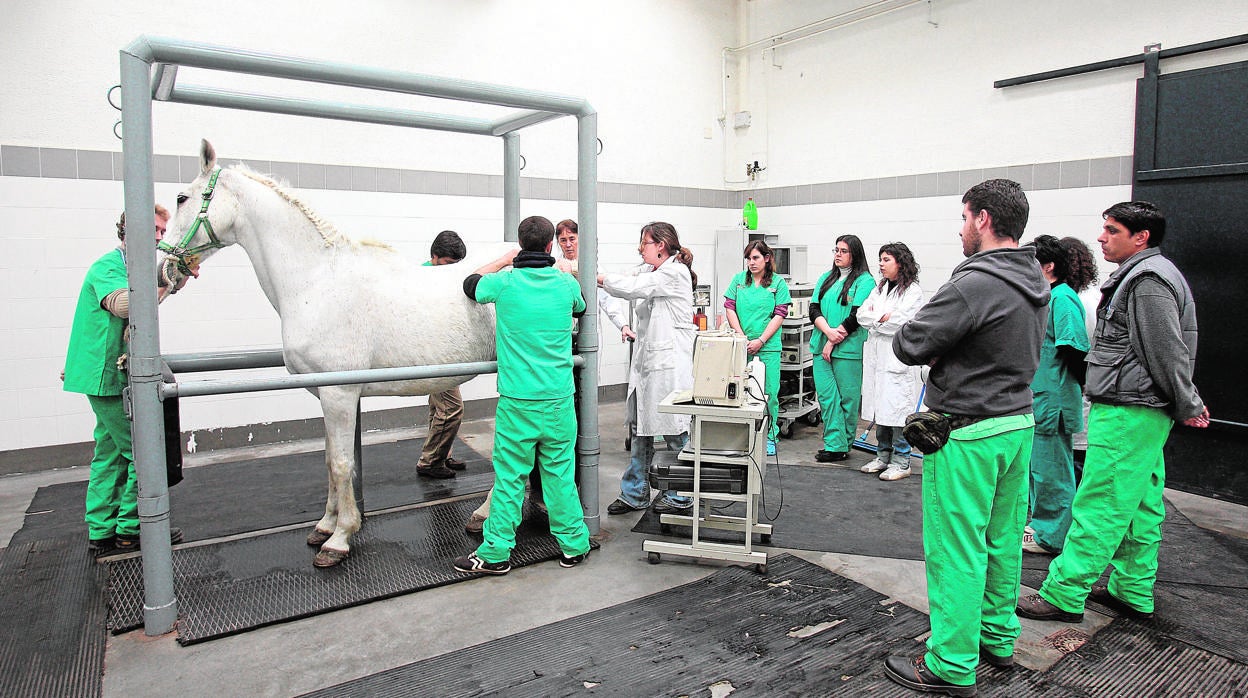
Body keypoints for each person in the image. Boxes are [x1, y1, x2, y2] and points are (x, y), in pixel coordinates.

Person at [884, 179, 1049, 696]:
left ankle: (952, 663)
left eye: (962, 218)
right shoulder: (1033, 279)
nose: (960, 229)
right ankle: (996, 638)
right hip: (1016, 425)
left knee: (956, 549)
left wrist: (938, 346)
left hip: (969, 432)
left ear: (982, 219)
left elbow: (911, 342)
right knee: (1002, 544)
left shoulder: (974, 282)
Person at [1017, 201, 1209, 624]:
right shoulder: (1148, 276)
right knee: (1140, 503)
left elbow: (1165, 350)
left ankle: (1064, 594)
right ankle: (1132, 588)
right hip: (1141, 411)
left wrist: (1188, 401)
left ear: (1140, 237)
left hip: (1128, 410)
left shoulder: (1147, 280)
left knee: (1101, 502)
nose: (1101, 237)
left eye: (1111, 229)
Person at [452, 215, 592, 575]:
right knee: (559, 475)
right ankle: (575, 545)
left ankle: (497, 553)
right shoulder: (564, 285)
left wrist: (504, 259)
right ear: (550, 246)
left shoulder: (504, 283)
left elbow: (469, 284)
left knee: (511, 477)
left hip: (519, 404)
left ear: (521, 246)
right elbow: (581, 306)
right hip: (559, 400)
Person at [63, 205, 189, 557]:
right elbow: (124, 305)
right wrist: (166, 280)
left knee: (110, 453)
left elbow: (146, 295)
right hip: (107, 375)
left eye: (163, 232)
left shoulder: (127, 267)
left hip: (104, 375)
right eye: (154, 229)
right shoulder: (107, 267)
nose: (160, 236)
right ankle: (132, 529)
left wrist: (171, 279)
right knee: (144, 452)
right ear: (128, 228)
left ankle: (102, 529)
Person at [598, 222, 698, 515]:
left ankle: (682, 495)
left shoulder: (674, 273)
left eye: (645, 243)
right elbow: (625, 280)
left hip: (668, 368)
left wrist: (593, 276)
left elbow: (631, 288)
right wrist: (589, 272)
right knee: (640, 430)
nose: (640, 248)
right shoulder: (651, 271)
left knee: (675, 432)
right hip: (647, 365)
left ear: (661, 246)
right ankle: (635, 493)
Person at [1021, 235, 1097, 555]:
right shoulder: (1046, 297)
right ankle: (1041, 525)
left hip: (1052, 399)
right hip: (1041, 396)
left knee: (1053, 471)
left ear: (1049, 267)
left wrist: (1072, 387)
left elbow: (1074, 348)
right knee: (1039, 468)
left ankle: (1051, 535)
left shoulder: (1063, 298)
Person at [856, 243, 924, 481]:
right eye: (880, 260)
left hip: (897, 359)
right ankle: (882, 455)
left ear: (900, 263)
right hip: (877, 357)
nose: (881, 264)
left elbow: (901, 321)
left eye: (886, 260)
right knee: (880, 411)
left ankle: (902, 461)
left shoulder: (913, 292)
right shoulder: (879, 289)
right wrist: (880, 318)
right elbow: (861, 315)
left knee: (897, 413)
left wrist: (880, 320)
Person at [809, 235, 875, 463]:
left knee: (847, 398)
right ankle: (835, 445)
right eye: (836, 250)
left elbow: (857, 315)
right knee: (828, 398)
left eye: (843, 251)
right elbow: (813, 309)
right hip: (821, 347)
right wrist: (827, 333)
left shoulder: (865, 282)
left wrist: (833, 340)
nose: (838, 254)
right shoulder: (826, 278)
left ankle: (843, 444)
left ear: (854, 254)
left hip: (848, 349)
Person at [724, 240, 792, 456]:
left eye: (755, 258)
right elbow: (729, 308)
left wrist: (761, 340)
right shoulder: (738, 281)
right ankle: (743, 435)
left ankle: (770, 436)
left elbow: (779, 314)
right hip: (741, 346)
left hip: (768, 347)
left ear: (767, 258)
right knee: (740, 391)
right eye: (748, 258)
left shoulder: (778, 284)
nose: (751, 262)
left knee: (769, 393)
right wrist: (742, 337)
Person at [416, 230, 470, 480]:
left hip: (442, 352)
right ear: (434, 256)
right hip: (434, 354)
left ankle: (442, 453)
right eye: (448, 264)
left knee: (438, 408)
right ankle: (430, 461)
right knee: (451, 408)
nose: (451, 270)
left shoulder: (438, 276)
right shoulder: (424, 279)